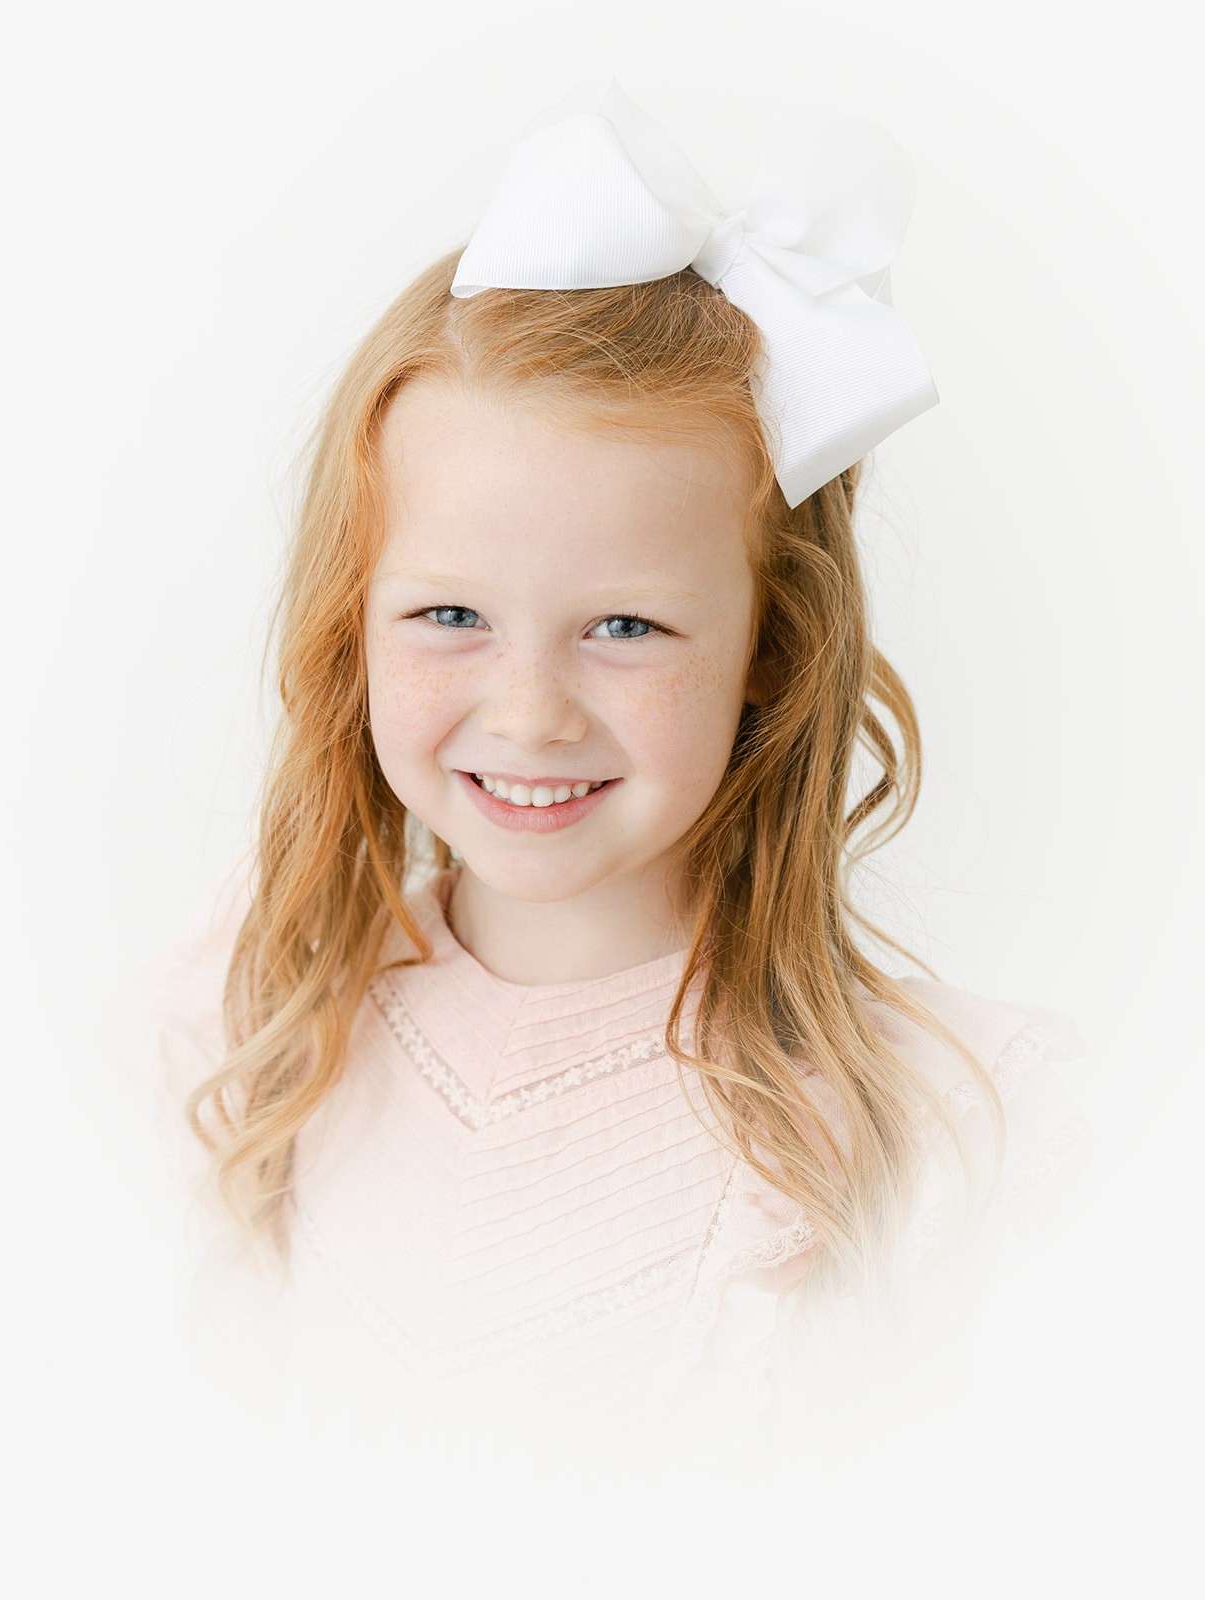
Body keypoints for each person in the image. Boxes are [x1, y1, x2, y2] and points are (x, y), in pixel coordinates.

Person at [125, 84, 1084, 1463]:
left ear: (774, 645)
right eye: (449, 615)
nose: (528, 714)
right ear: (354, 620)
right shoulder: (236, 1039)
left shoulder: (961, 1139)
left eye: (626, 627)